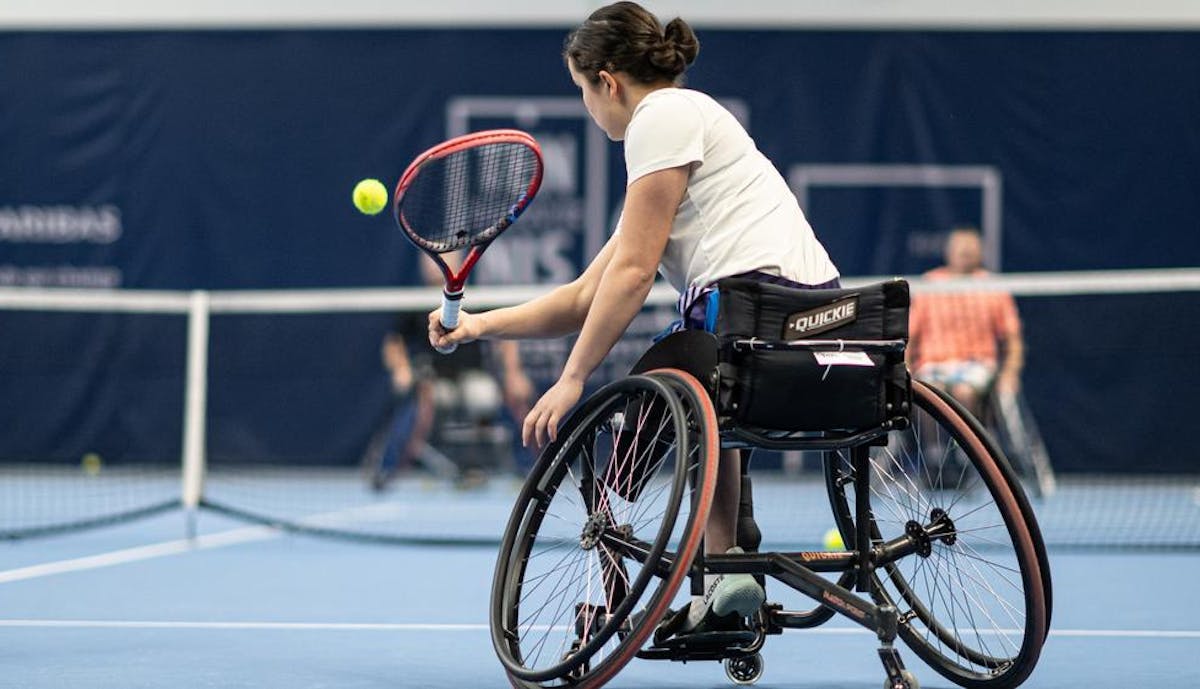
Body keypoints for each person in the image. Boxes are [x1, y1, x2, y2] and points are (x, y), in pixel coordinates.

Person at [428, 1, 839, 636]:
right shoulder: (682, 145)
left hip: (754, 318)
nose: (591, 112)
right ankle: (727, 569)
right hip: (826, 334)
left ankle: (670, 537)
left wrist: (572, 380)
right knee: (705, 382)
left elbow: (633, 274)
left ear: (608, 83)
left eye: (583, 93)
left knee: (675, 372)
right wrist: (479, 325)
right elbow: (582, 297)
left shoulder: (661, 116)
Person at [364, 257, 535, 489]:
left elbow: (504, 339)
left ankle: (529, 470)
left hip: (475, 378)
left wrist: (514, 374)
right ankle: (387, 469)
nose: (436, 265)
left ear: (459, 262)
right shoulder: (413, 300)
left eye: (445, 259)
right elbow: (394, 342)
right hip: (434, 382)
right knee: (421, 403)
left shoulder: (476, 297)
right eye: (431, 261)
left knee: (503, 399)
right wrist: (401, 369)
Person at [907, 227, 1024, 418]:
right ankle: (933, 448)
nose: (965, 253)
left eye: (970, 249)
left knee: (964, 392)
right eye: (961, 249)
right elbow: (909, 336)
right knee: (931, 393)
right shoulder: (929, 284)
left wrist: (1010, 374)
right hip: (933, 366)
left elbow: (1013, 338)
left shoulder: (992, 286)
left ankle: (966, 448)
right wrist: (907, 370)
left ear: (980, 252)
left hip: (977, 365)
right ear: (949, 252)